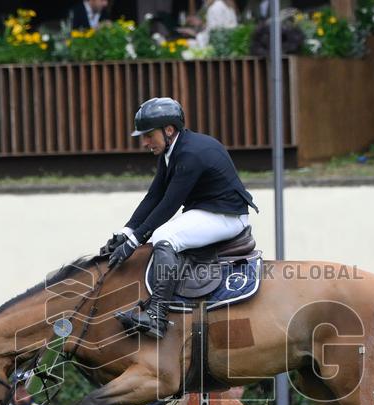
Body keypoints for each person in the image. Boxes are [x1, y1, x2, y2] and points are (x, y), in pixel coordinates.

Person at [102, 97, 258, 339]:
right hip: (207, 210)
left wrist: (134, 244)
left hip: (226, 217)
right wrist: (127, 232)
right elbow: (154, 196)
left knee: (165, 236)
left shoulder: (190, 154)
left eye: (148, 135)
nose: (144, 142)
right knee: (157, 232)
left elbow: (169, 206)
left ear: (169, 130)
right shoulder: (172, 150)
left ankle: (157, 315)